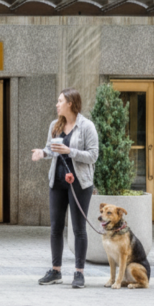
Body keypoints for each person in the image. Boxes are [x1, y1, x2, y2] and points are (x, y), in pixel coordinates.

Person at [31, 88, 100, 289]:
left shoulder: (86, 126)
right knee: (56, 228)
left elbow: (93, 156)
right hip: (58, 182)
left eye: (60, 101)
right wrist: (42, 153)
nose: (57, 104)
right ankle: (56, 271)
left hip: (79, 183)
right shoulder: (55, 125)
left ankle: (79, 273)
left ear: (70, 103)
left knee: (78, 229)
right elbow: (50, 149)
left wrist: (71, 151)